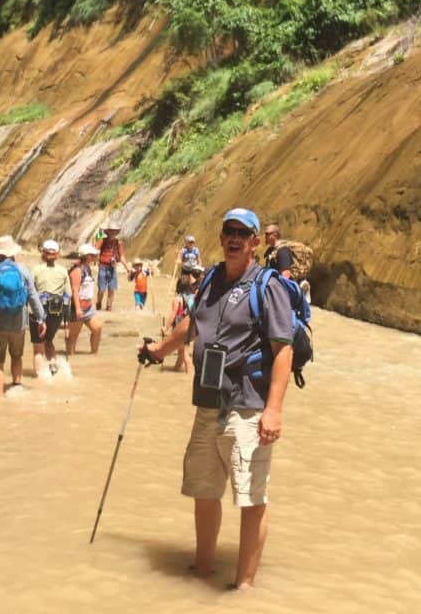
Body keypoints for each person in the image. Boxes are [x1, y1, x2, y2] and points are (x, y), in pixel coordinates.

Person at [143, 208, 293, 590]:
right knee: (204, 490)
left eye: (243, 233)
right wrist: (159, 349)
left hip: (247, 406)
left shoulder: (269, 285)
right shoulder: (210, 278)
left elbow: (283, 350)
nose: (235, 238)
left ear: (256, 242)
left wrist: (274, 410)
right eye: (229, 231)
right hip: (208, 401)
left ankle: (244, 587)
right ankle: (204, 569)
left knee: (250, 496)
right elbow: (192, 326)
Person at [0, 235, 44, 395]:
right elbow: (33, 297)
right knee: (16, 357)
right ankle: (17, 390)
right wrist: (40, 319)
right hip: (19, 324)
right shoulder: (23, 270)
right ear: (13, 253)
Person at [31, 239, 71, 378]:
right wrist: (67, 318)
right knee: (49, 340)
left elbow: (30, 292)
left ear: (43, 253)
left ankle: (40, 377)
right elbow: (68, 295)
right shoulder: (63, 271)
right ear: (57, 254)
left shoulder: (36, 270)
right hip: (57, 311)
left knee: (37, 347)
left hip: (39, 311)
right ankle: (53, 366)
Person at [66, 244, 103, 357]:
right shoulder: (77, 271)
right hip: (77, 308)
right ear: (86, 256)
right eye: (93, 255)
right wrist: (77, 309)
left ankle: (94, 355)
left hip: (88, 307)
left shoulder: (87, 268)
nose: (95, 256)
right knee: (73, 337)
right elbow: (75, 291)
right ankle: (70, 359)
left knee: (97, 328)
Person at [161, 271, 196, 373]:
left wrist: (166, 328)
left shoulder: (178, 299)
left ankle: (189, 374)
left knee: (184, 353)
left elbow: (173, 315)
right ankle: (176, 370)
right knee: (181, 352)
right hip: (191, 326)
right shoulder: (192, 297)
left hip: (181, 327)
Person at [95, 221, 130, 311]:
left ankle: (109, 306)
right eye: (111, 231)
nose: (113, 233)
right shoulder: (102, 240)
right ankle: (98, 303)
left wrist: (127, 268)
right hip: (103, 266)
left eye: (114, 231)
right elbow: (95, 250)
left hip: (113, 267)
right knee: (101, 288)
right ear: (108, 231)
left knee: (112, 288)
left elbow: (121, 256)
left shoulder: (118, 243)